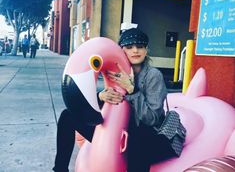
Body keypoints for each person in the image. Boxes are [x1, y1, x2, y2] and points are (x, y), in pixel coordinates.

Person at [53, 28, 168, 172]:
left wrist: (132, 90)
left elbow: (153, 118)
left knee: (139, 140)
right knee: (67, 116)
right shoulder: (115, 71)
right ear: (121, 50)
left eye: (140, 46)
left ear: (146, 50)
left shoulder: (153, 76)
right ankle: (60, 168)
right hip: (115, 129)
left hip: (140, 133)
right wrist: (100, 96)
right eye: (129, 47)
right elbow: (110, 101)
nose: (135, 51)